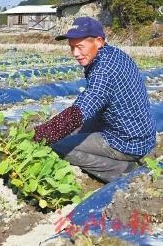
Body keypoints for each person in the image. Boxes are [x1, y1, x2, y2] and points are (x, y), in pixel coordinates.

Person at [33, 17, 156, 183]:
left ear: (98, 41)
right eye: (72, 47)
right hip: (140, 132)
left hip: (129, 141)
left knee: (58, 144)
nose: (75, 53)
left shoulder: (104, 71)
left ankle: (122, 171)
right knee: (69, 130)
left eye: (80, 47)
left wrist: (41, 134)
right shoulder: (112, 54)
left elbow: (83, 108)